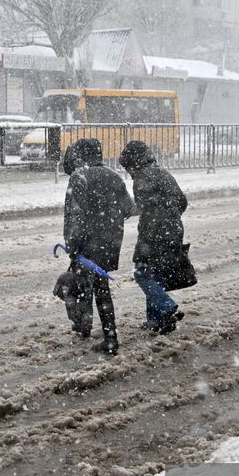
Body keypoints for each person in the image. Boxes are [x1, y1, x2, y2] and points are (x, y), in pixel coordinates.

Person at [62, 138, 135, 355]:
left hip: (88, 243)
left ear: (81, 155)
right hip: (111, 241)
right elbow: (128, 208)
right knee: (99, 286)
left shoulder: (79, 177)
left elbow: (75, 216)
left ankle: (91, 329)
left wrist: (73, 245)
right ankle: (108, 336)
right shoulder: (114, 176)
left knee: (74, 285)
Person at [118, 140, 188, 334]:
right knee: (156, 275)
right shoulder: (163, 172)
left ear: (134, 162)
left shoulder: (142, 178)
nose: (129, 172)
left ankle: (166, 307)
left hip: (153, 233)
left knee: (141, 273)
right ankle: (157, 321)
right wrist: (171, 218)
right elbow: (182, 201)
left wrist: (128, 211)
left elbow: (145, 208)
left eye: (129, 168)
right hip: (174, 229)